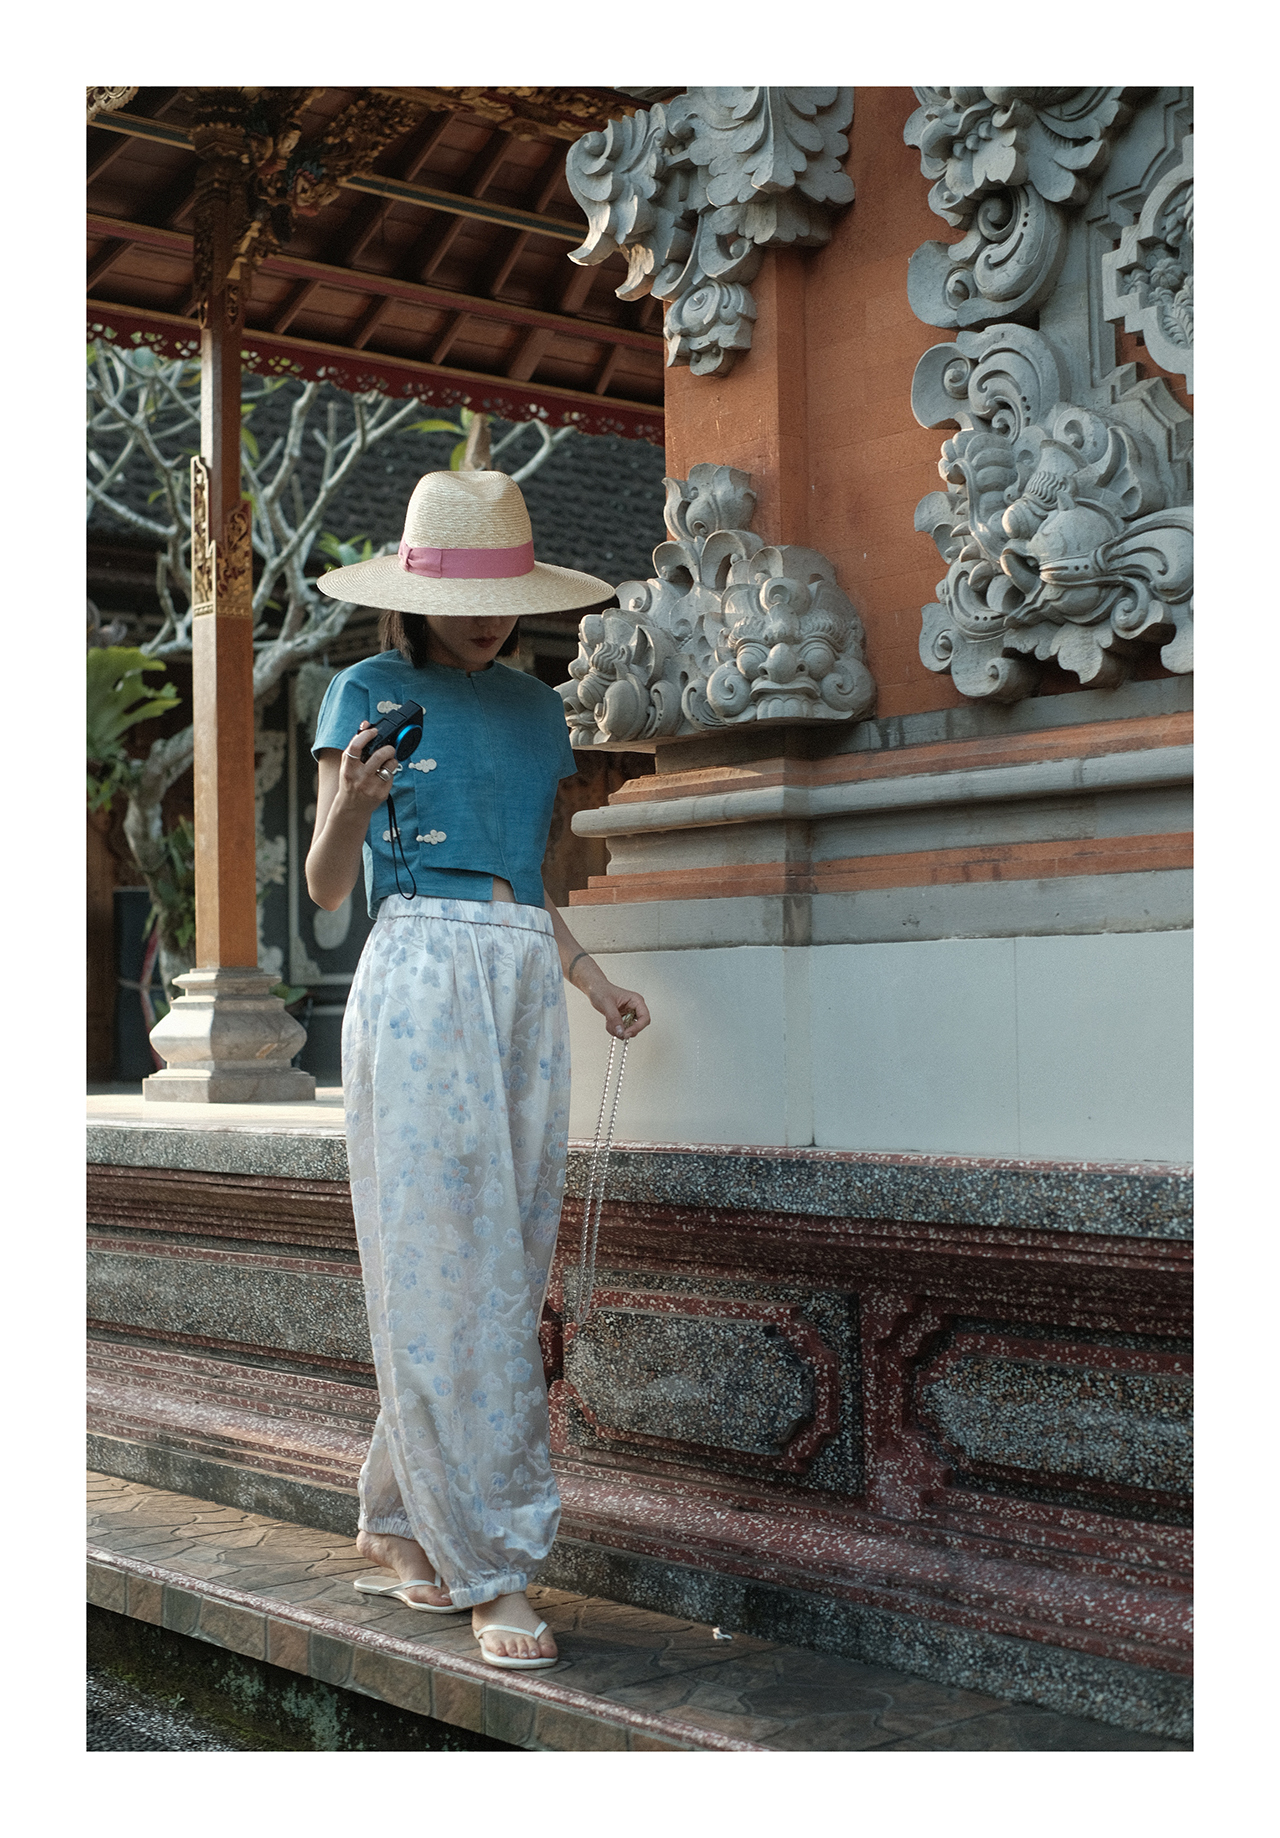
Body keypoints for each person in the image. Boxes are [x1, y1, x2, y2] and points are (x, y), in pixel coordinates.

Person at [305, 469, 650, 1671]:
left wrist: (592, 979)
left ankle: (393, 1515)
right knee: (443, 1266)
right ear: (412, 595)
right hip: (415, 976)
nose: (488, 618)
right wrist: (352, 802)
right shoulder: (363, 690)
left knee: (498, 1265)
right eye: (466, 599)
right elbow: (326, 887)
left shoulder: (533, 708)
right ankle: (493, 1564)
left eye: (505, 595)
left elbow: (526, 882)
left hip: (518, 979)